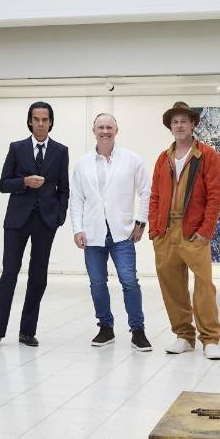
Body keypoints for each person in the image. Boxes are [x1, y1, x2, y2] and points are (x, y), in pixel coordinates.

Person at [0, 101, 70, 348]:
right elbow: (3, 184)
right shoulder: (17, 148)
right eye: (36, 119)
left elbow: (64, 188)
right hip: (17, 221)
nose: (40, 124)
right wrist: (24, 182)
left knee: (38, 277)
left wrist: (59, 216)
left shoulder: (61, 151)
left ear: (51, 122)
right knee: (9, 274)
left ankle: (27, 331)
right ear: (30, 122)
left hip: (46, 221)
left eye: (45, 119)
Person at [70, 113, 153, 351]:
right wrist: (77, 229)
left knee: (130, 282)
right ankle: (105, 328)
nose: (105, 131)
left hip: (122, 233)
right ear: (94, 131)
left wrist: (141, 222)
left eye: (109, 127)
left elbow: (146, 192)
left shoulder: (131, 159)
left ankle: (138, 331)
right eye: (101, 127)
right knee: (97, 283)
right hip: (93, 233)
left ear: (116, 130)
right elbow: (76, 199)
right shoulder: (82, 164)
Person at [149, 101, 220, 359]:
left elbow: (215, 196)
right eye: (175, 122)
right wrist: (155, 229)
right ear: (170, 127)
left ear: (193, 124)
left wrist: (206, 230)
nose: (179, 125)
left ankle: (210, 339)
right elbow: (155, 195)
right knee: (172, 286)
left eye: (183, 121)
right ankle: (183, 335)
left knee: (204, 286)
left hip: (194, 232)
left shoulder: (207, 155)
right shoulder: (163, 158)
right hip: (166, 232)